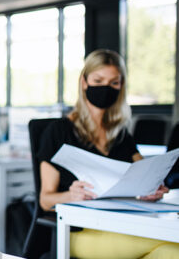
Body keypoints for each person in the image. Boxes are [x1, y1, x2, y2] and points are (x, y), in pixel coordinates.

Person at [38, 49, 177, 258]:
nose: (106, 88)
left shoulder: (121, 135)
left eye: (114, 83)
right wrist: (71, 195)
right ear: (84, 82)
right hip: (81, 231)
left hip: (123, 224)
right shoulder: (59, 131)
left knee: (170, 251)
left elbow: (146, 174)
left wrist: (151, 188)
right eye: (98, 80)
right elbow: (45, 200)